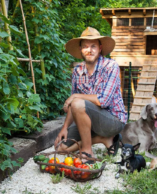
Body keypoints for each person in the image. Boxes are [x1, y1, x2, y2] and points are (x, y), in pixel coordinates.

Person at [54, 27, 127, 162]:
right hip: (90, 121)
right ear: (81, 50)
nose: (89, 50)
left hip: (113, 121)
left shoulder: (111, 66)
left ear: (100, 48)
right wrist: (64, 128)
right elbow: (73, 105)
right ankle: (100, 139)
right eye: (85, 46)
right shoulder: (77, 71)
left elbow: (103, 101)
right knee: (60, 148)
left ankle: (87, 152)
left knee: (77, 101)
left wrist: (76, 97)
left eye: (93, 46)